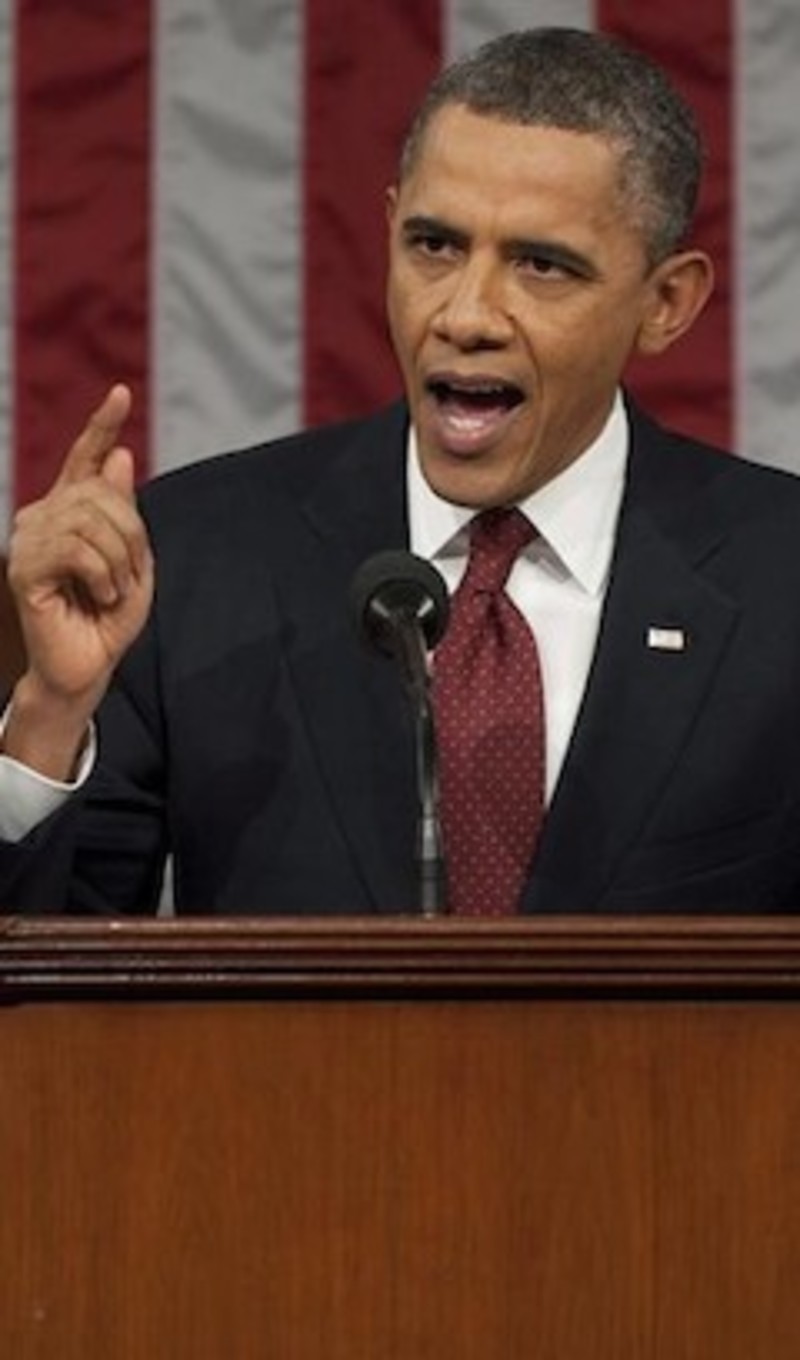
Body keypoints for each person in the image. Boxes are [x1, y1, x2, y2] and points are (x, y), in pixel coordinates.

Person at [3, 26, 800, 916]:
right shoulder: (196, 558)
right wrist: (49, 715)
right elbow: (52, 973)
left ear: (666, 303)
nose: (466, 315)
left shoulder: (782, 579)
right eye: (435, 246)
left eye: (541, 265)